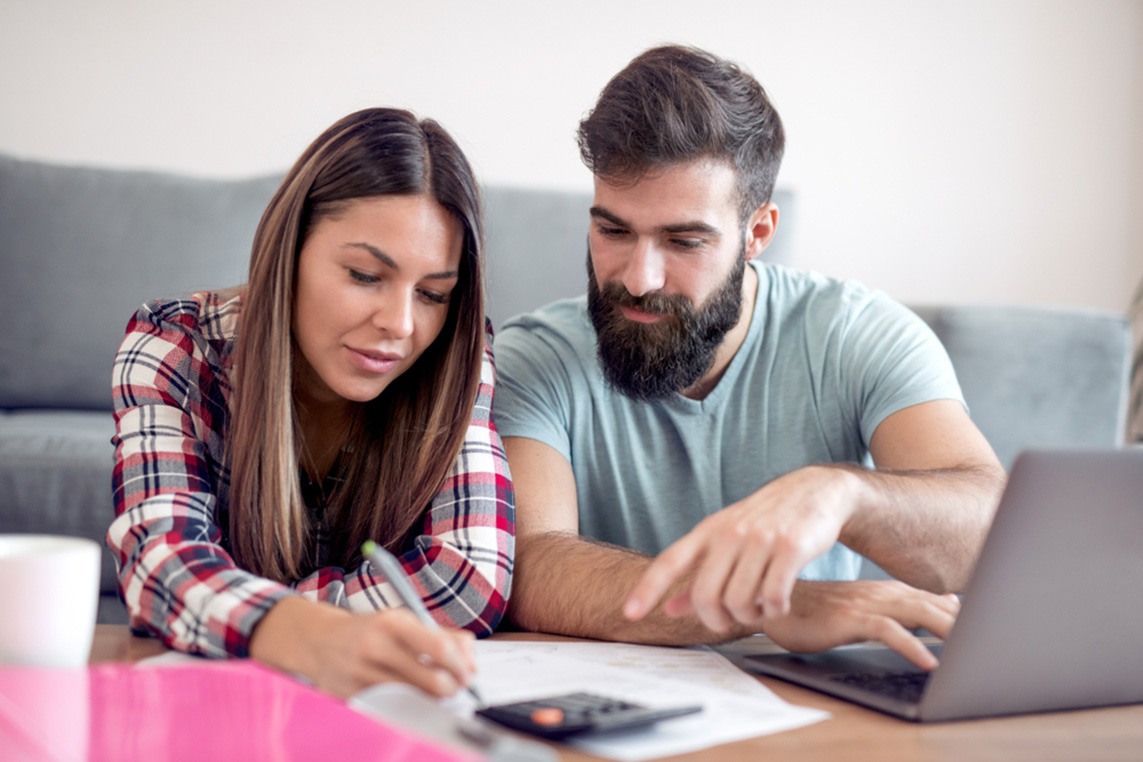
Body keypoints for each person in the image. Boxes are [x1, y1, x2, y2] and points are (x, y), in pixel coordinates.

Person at [492, 45, 1006, 670]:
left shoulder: (857, 333)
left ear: (757, 233)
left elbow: (989, 535)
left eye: (684, 241)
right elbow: (531, 567)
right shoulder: (531, 357)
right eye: (614, 231)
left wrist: (841, 495)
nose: (639, 277)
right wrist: (767, 604)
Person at [107, 108, 514, 699]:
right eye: (365, 275)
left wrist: (240, 611)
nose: (400, 325)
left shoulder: (457, 359)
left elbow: (468, 584)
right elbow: (158, 565)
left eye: (432, 294)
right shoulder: (173, 347)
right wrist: (308, 633)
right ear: (289, 251)